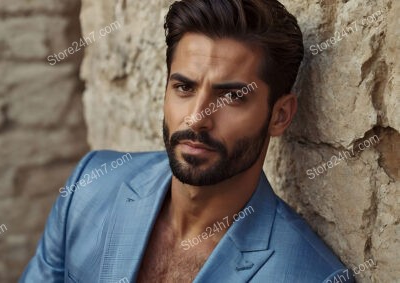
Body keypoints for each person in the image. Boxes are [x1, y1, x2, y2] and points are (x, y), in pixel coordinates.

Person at [20, 0, 354, 282]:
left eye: (233, 97)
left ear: (279, 115)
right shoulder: (89, 186)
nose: (198, 118)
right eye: (184, 88)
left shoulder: (311, 276)